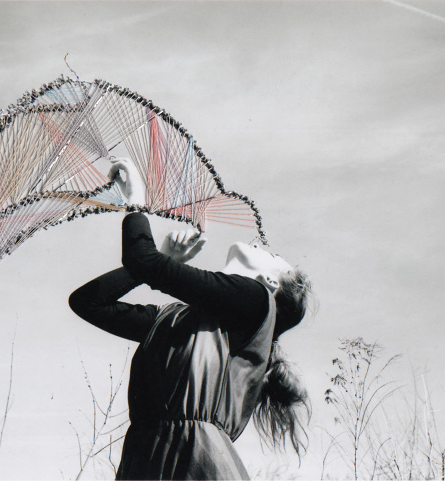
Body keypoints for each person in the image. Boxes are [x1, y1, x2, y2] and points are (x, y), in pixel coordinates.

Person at [69, 159, 312, 480]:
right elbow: (88, 303)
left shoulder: (258, 301)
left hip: (197, 462)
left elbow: (142, 260)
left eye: (274, 256)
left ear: (270, 282)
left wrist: (137, 201)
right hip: (146, 462)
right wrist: (160, 262)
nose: (261, 244)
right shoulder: (172, 318)